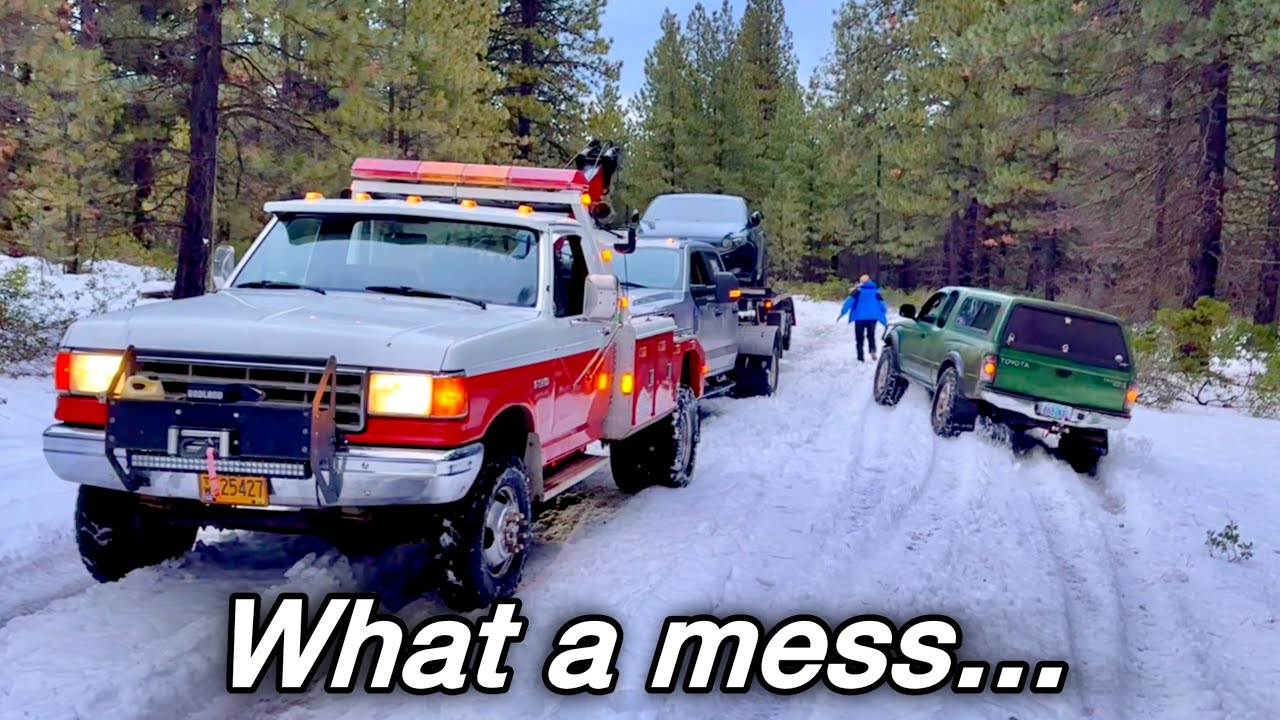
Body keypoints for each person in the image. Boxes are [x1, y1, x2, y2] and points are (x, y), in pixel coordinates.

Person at [836, 274, 889, 362]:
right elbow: (882, 305)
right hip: (872, 317)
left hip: (859, 317)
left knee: (859, 337)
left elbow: (848, 302)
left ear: (862, 282)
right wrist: (882, 314)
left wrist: (842, 313)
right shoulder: (876, 292)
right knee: (871, 335)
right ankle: (872, 351)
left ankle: (860, 357)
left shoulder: (857, 291)